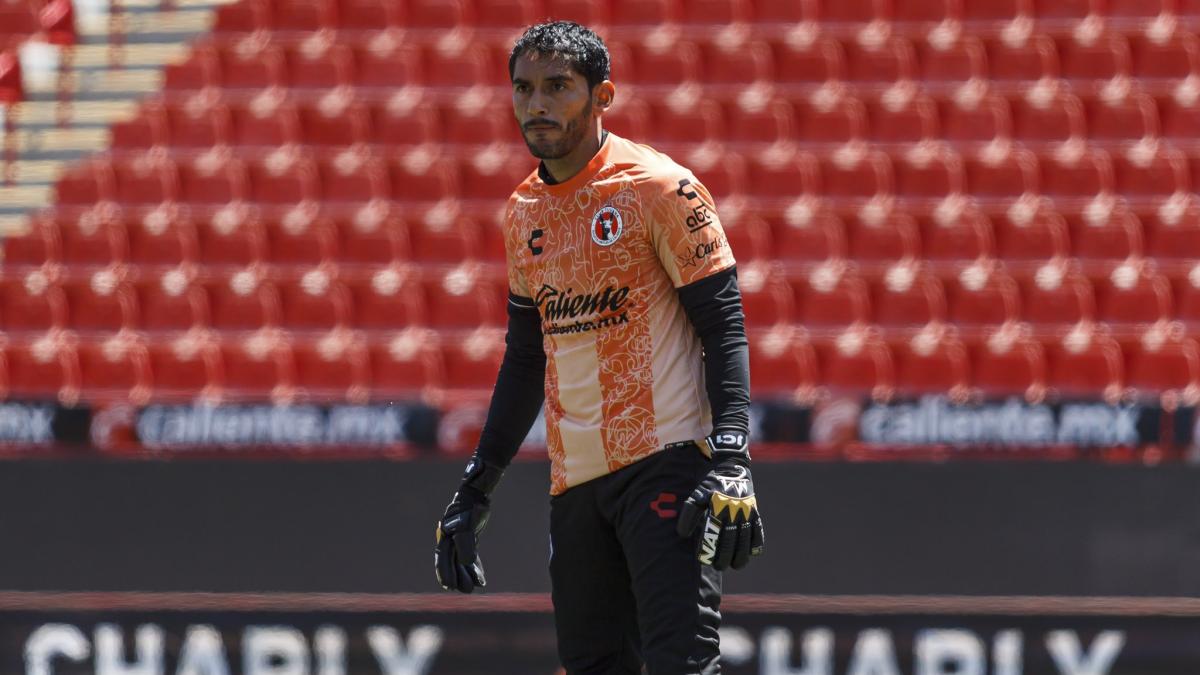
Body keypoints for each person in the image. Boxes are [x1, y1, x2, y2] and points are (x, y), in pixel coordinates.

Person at [434, 20, 765, 675]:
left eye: (558, 86)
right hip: (576, 481)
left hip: (667, 461)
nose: (537, 103)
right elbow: (527, 357)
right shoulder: (523, 211)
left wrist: (732, 456)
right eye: (524, 88)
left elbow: (723, 325)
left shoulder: (659, 188)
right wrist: (477, 486)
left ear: (602, 95)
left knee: (682, 664)